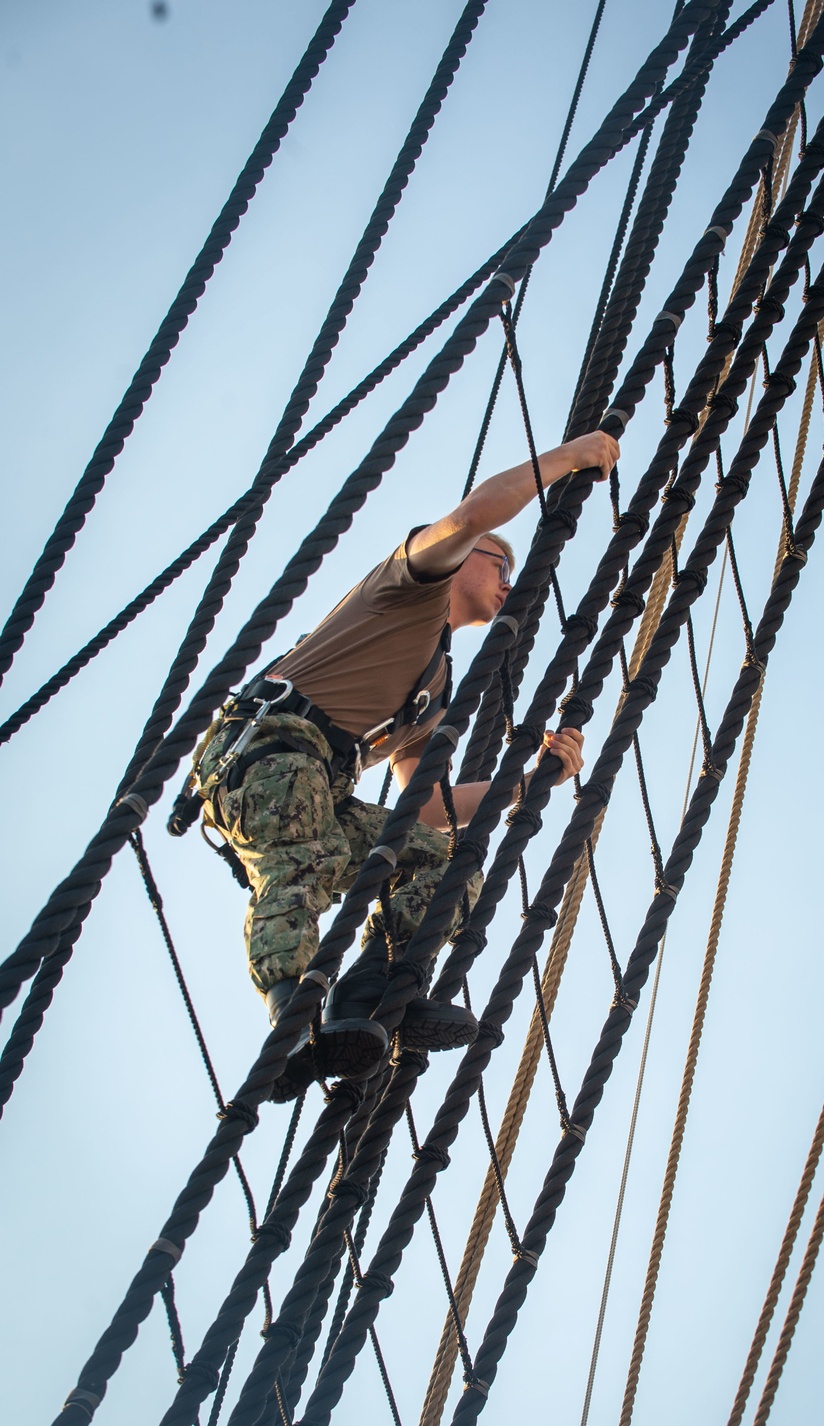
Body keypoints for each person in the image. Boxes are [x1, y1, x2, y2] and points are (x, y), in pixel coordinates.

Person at [190, 428, 619, 1092]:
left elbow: (425, 805)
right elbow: (473, 516)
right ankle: (288, 1024)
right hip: (267, 754)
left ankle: (369, 991)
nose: (508, 578)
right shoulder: (408, 581)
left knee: (444, 863)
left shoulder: (433, 691)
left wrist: (534, 781)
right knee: (301, 854)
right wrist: (570, 457)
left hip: (322, 784)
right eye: (498, 564)